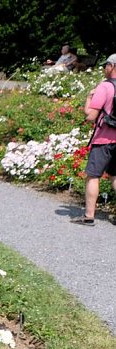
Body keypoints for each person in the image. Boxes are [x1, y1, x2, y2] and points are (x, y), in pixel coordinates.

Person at [72, 54, 116, 226]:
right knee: (115, 176)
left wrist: (89, 99)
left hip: (104, 139)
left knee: (93, 176)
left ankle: (89, 216)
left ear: (112, 66)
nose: (105, 68)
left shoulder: (104, 87)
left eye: (106, 65)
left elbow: (90, 116)